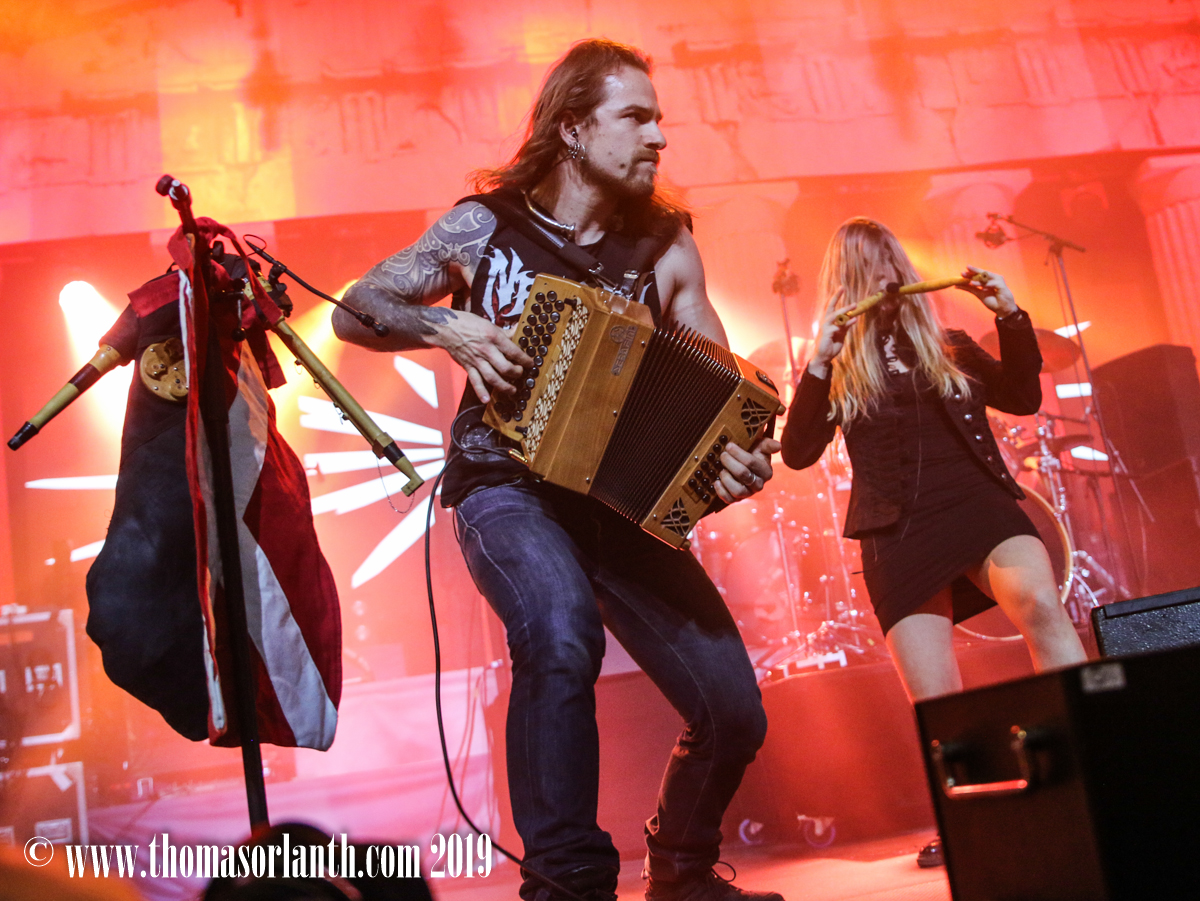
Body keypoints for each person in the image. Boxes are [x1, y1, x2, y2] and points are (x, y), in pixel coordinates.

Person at [334, 39, 783, 901]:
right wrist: (447, 327)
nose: (659, 136)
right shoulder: (484, 225)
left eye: (659, 119)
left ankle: (682, 870)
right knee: (558, 628)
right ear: (573, 128)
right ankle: (567, 883)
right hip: (505, 485)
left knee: (733, 711)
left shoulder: (667, 247)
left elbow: (721, 398)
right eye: (636, 117)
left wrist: (739, 462)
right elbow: (358, 309)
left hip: (619, 507)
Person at [780, 217, 1088, 865]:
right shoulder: (838, 367)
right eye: (871, 265)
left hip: (978, 504)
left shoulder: (948, 344)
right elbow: (799, 451)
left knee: (1040, 604)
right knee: (937, 699)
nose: (888, 275)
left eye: (893, 260)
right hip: (896, 530)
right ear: (848, 281)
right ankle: (970, 822)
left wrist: (1010, 316)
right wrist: (819, 362)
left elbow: (1023, 397)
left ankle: (1090, 770)